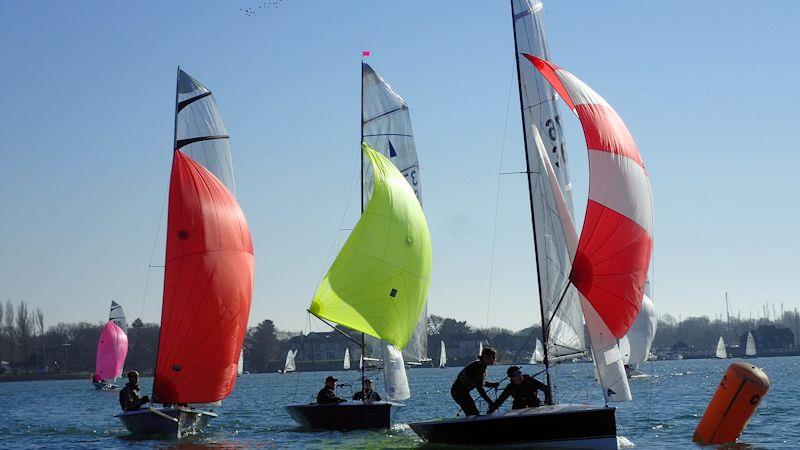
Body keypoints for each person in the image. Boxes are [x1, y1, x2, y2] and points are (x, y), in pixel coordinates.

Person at [451, 347, 500, 416]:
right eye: (492, 357)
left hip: (461, 392)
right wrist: (489, 402)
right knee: (473, 413)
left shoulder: (481, 365)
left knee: (473, 413)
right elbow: (479, 388)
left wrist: (492, 384)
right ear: (485, 357)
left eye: (494, 357)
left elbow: (479, 382)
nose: (494, 359)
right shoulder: (478, 367)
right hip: (458, 392)